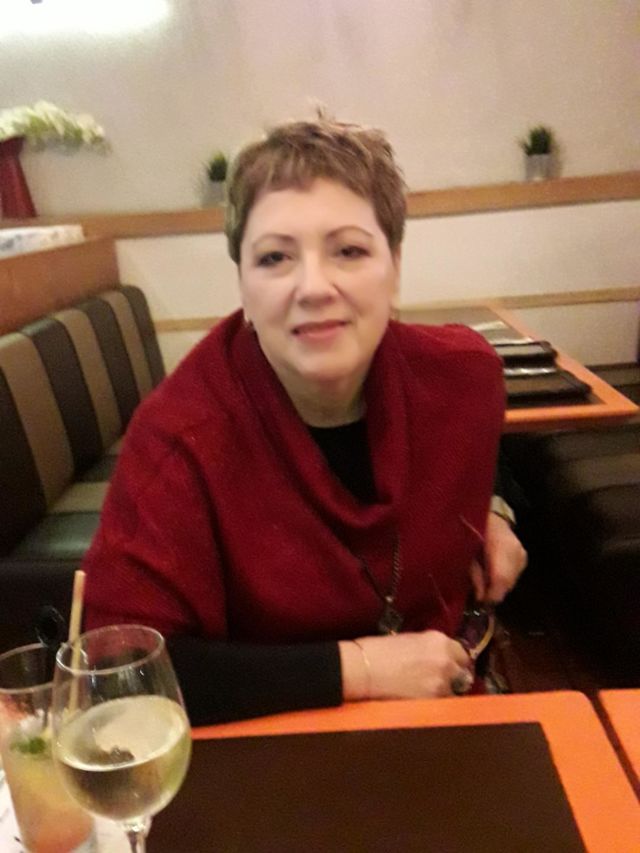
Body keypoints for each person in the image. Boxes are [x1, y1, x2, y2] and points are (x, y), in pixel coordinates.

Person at [84, 118, 526, 724]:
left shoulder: (462, 374)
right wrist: (360, 669)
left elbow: (476, 444)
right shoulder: (179, 439)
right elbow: (122, 672)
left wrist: (491, 509)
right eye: (275, 258)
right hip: (266, 744)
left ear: (395, 266)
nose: (314, 287)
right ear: (242, 281)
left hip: (447, 713)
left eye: (349, 251)